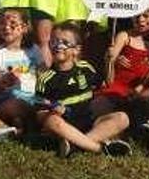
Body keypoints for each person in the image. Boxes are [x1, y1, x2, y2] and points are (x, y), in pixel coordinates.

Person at [36, 22, 132, 158]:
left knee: (123, 118)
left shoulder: (86, 68)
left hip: (89, 122)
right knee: (51, 121)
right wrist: (53, 111)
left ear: (77, 49)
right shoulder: (46, 78)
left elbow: (107, 83)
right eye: (54, 41)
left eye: (64, 42)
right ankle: (99, 148)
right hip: (64, 126)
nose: (58, 46)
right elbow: (40, 115)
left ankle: (75, 146)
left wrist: (109, 60)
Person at [0, 8, 46, 135]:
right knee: (13, 105)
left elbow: (44, 74)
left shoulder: (33, 50)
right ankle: (16, 123)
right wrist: (0, 81)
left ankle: (17, 123)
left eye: (12, 24)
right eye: (2, 23)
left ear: (24, 28)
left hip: (34, 98)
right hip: (7, 101)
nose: (6, 27)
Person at [93, 5, 149, 116]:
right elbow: (109, 68)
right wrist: (111, 58)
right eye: (137, 15)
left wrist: (140, 88)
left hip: (138, 92)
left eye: (146, 16)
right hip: (115, 88)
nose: (141, 19)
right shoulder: (124, 36)